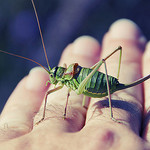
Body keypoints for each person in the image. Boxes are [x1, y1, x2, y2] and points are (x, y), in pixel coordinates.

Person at [0, 19, 150, 150]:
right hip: (84, 80)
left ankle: (112, 110)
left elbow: (69, 92)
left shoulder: (66, 79)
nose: (51, 79)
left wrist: (64, 113)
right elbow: (75, 89)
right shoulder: (64, 75)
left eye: (53, 76)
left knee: (56, 91)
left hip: (97, 82)